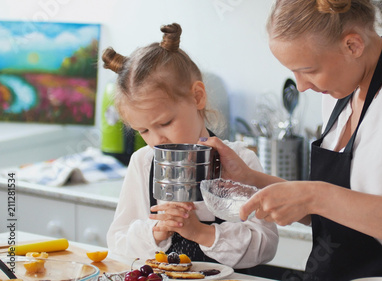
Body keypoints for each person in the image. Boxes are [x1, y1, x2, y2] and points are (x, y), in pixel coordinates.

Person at [201, 0, 382, 280]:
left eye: (309, 70)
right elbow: (335, 215)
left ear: (353, 45)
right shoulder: (343, 90)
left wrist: (314, 195)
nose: (301, 86)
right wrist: (249, 177)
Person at [102, 23, 278, 268]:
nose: (156, 140)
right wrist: (157, 231)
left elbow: (265, 245)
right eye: (143, 131)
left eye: (165, 122)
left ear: (197, 97)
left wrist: (200, 232)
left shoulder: (240, 161)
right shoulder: (142, 163)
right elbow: (118, 242)